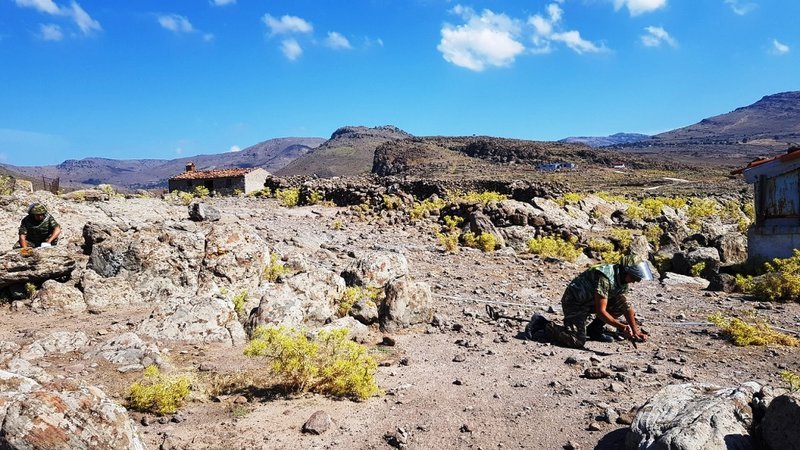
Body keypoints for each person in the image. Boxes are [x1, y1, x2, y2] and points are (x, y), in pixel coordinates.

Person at [526, 255, 653, 349]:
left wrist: (635, 331)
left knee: (620, 303)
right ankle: (542, 323)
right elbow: (601, 311)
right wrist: (621, 327)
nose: (637, 281)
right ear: (626, 271)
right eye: (635, 277)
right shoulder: (605, 277)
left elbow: (627, 306)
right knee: (576, 340)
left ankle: (594, 330)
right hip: (575, 302)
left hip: (590, 301)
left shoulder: (622, 279)